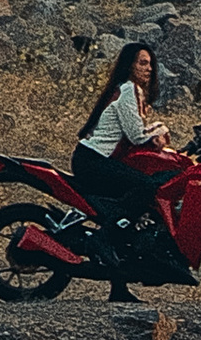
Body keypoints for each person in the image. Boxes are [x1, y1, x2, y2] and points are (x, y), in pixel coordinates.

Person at [73, 46, 177, 293]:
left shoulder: (130, 91)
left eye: (151, 64)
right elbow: (137, 134)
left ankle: (118, 288)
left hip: (94, 160)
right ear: (130, 65)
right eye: (142, 63)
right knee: (148, 187)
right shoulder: (129, 89)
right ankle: (102, 238)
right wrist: (160, 130)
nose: (149, 69)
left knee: (126, 212)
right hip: (94, 161)